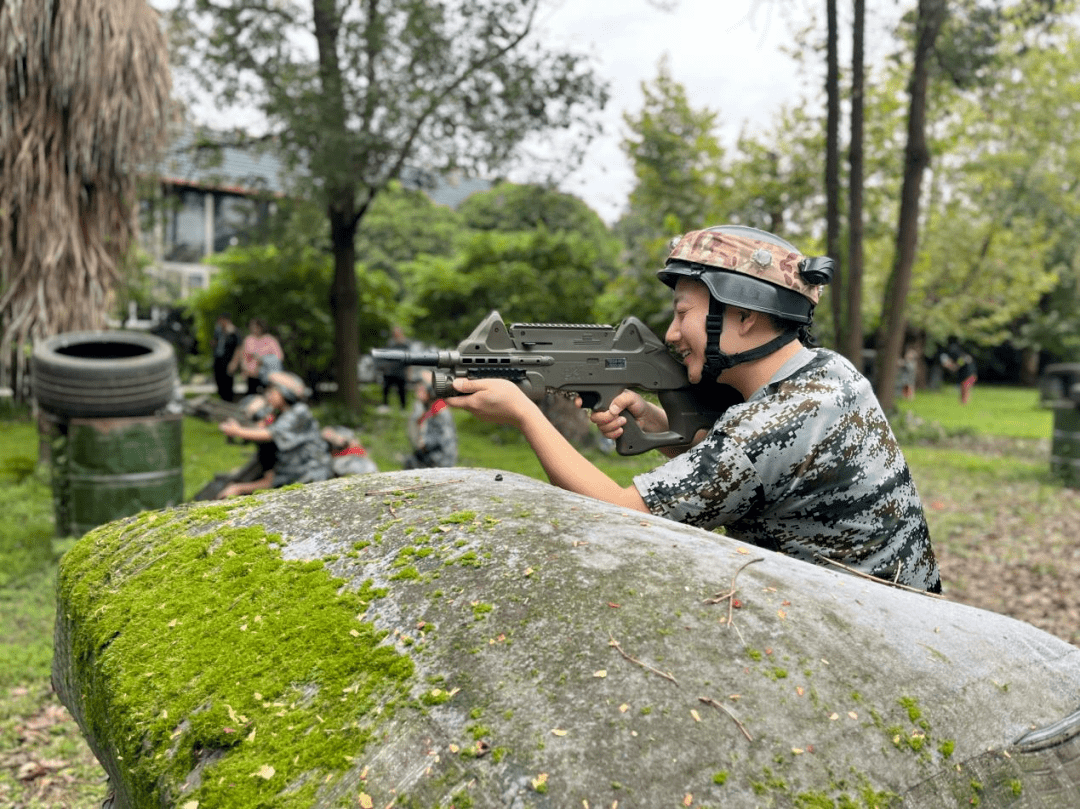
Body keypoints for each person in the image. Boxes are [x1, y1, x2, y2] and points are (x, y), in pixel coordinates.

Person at [445, 225, 941, 594]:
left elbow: (623, 513)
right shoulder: (828, 373)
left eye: (684, 313)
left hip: (862, 627)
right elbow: (755, 471)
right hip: (894, 602)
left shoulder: (767, 426)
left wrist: (523, 413)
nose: (672, 334)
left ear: (744, 316)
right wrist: (662, 425)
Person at [216, 370, 332, 498]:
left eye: (272, 391)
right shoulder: (277, 413)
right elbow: (260, 428)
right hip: (289, 469)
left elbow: (271, 434)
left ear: (285, 393)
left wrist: (238, 431)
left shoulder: (299, 411)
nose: (268, 395)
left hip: (309, 472)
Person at [404, 371, 458, 469]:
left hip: (438, 461)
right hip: (425, 456)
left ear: (431, 391)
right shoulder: (423, 408)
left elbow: (445, 443)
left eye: (421, 389)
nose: (417, 392)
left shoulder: (440, 411)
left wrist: (425, 443)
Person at [230, 318, 284, 397]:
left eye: (254, 326)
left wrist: (263, 359)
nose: (252, 328)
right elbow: (243, 357)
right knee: (251, 396)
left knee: (267, 395)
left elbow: (279, 357)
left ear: (260, 327)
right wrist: (244, 369)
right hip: (251, 376)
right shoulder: (248, 340)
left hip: (266, 375)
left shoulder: (270, 340)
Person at [379, 326, 411, 413]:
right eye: (394, 332)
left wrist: (409, 372)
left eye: (397, 332)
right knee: (386, 388)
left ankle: (403, 408)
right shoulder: (390, 343)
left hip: (400, 371)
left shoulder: (405, 343)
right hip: (389, 370)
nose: (395, 334)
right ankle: (385, 405)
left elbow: (408, 359)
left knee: (402, 390)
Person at [939, 337, 977, 405]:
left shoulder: (960, 357)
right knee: (964, 388)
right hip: (969, 375)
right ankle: (964, 403)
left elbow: (955, 367)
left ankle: (965, 403)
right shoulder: (962, 356)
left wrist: (951, 366)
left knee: (965, 387)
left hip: (970, 375)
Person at [211, 313, 240, 402]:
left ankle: (229, 402)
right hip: (218, 359)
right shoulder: (218, 331)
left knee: (227, 383)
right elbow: (215, 342)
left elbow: (239, 348)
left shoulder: (234, 332)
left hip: (228, 360)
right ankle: (222, 400)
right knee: (219, 381)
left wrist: (234, 362)